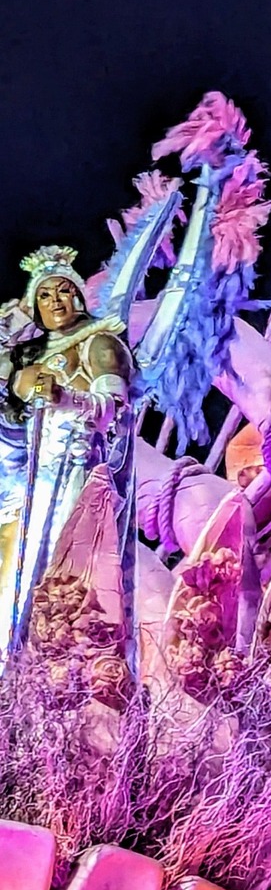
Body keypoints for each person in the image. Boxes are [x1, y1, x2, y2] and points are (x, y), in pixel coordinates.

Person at [0, 245, 134, 640]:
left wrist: (64, 397)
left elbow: (114, 412)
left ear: (78, 295)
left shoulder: (100, 343)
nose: (55, 301)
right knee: (13, 581)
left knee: (62, 583)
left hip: (75, 476)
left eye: (63, 290)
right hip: (29, 484)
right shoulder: (29, 357)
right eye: (43, 295)